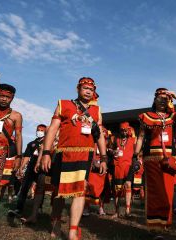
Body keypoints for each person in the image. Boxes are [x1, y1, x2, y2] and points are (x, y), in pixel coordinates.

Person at [41, 77, 107, 240]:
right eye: (84, 88)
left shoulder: (96, 111)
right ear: (78, 89)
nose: (87, 91)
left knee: (80, 192)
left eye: (90, 89)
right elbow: (52, 129)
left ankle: (72, 230)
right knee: (58, 193)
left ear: (94, 92)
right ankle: (56, 223)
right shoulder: (64, 104)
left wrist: (104, 157)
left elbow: (99, 136)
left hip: (85, 155)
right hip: (64, 153)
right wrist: (46, 153)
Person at [134, 88, 176, 232]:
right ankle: (155, 227)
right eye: (160, 97)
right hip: (151, 158)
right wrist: (135, 155)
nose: (163, 100)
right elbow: (140, 137)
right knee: (154, 192)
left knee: (167, 192)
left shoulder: (172, 116)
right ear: (155, 99)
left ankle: (165, 222)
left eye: (166, 98)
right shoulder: (147, 116)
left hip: (168, 160)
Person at [0, 82, 23, 214]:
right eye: (1, 96)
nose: (4, 99)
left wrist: (19, 156)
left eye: (7, 97)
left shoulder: (16, 116)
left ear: (12, 98)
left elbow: (18, 136)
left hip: (0, 154)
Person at [8, 124, 47, 217]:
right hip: (30, 168)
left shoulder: (48, 142)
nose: (40, 132)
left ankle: (38, 210)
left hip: (42, 169)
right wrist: (21, 167)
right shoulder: (31, 143)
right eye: (38, 130)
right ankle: (19, 208)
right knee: (24, 188)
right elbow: (26, 156)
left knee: (40, 189)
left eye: (42, 130)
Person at [111, 122, 136, 217]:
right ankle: (116, 212)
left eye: (125, 130)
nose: (124, 132)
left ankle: (127, 210)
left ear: (128, 130)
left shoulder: (133, 139)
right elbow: (110, 150)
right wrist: (113, 152)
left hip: (129, 166)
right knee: (117, 190)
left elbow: (137, 152)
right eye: (122, 130)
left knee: (128, 186)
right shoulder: (115, 139)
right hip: (118, 167)